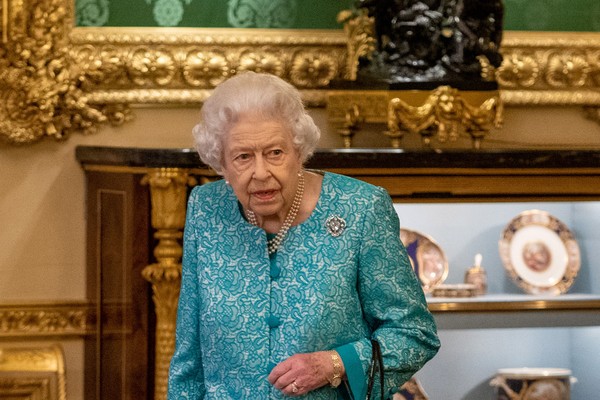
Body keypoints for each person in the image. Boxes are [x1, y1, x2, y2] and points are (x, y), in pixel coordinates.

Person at [167, 71, 440, 399]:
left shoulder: (361, 208)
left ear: (299, 151)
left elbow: (415, 334)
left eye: (275, 153)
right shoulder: (205, 209)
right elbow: (189, 357)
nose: (261, 172)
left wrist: (334, 363)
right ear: (221, 162)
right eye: (242, 157)